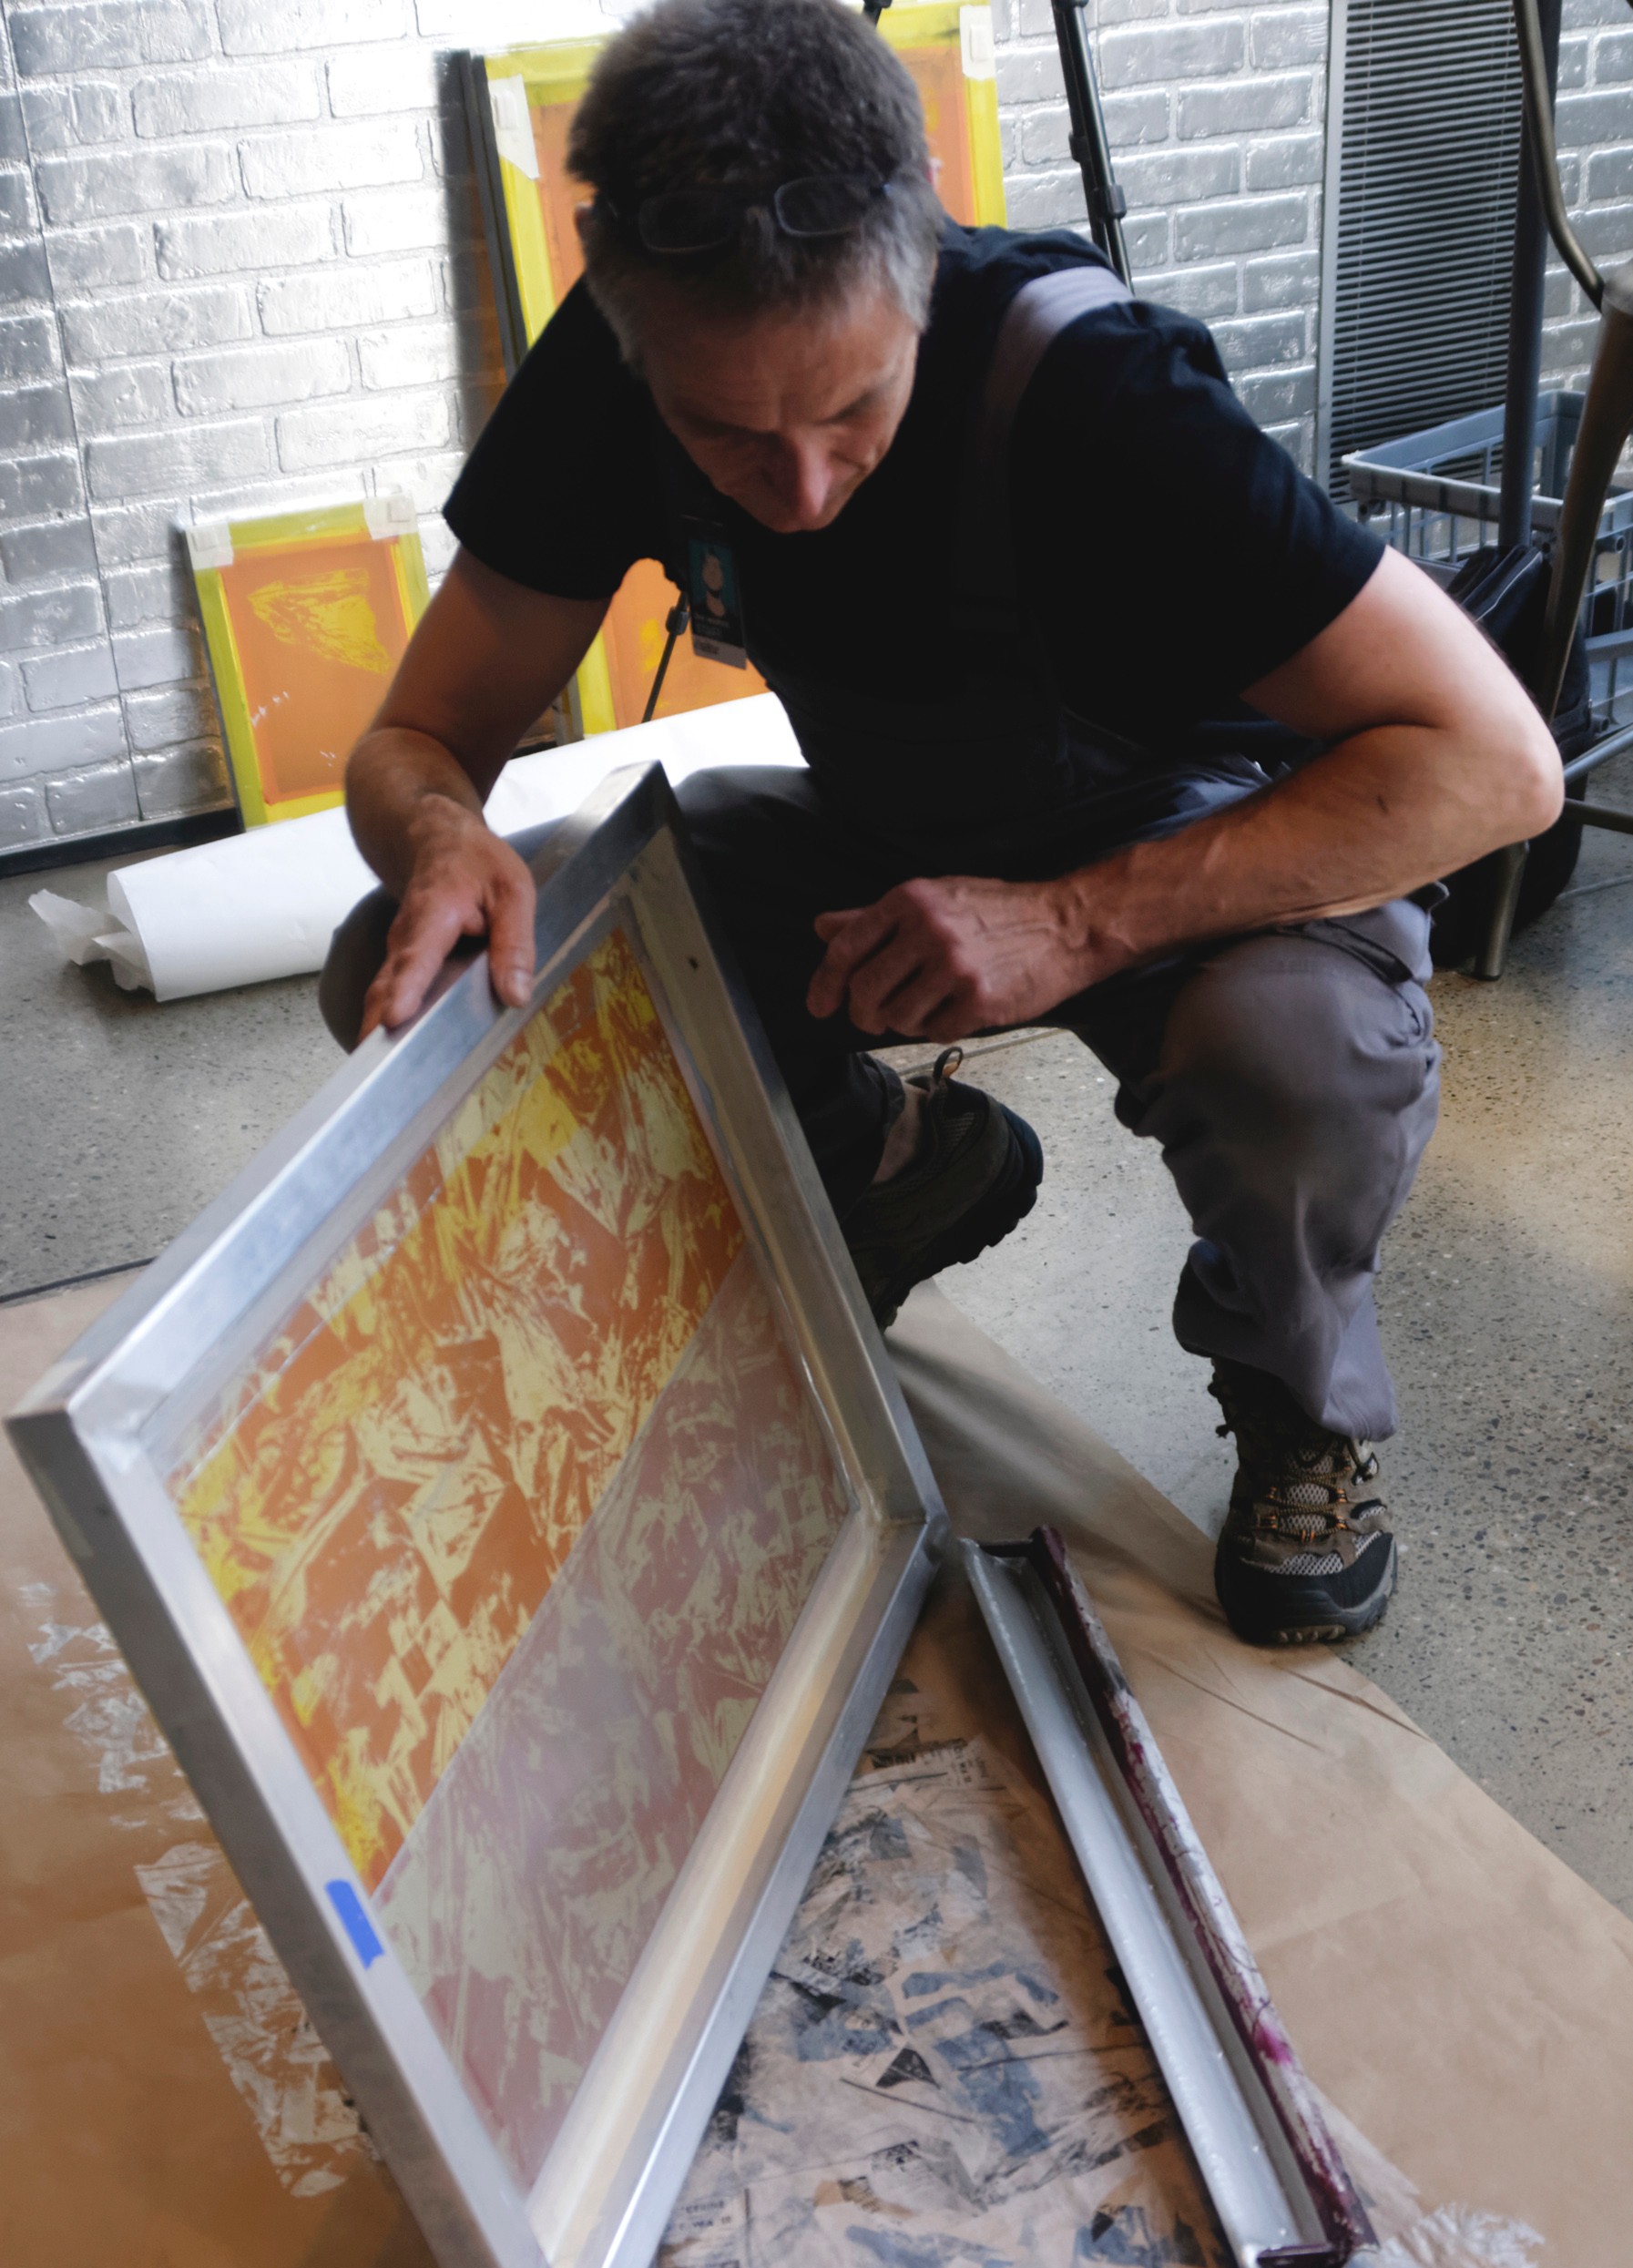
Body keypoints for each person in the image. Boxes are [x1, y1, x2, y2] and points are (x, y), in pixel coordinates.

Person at [332, 0, 1561, 1648]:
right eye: (727, 437)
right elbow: (415, 738)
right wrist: (436, 832)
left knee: (1291, 1051)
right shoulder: (614, 365)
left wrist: (1073, 919)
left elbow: (1496, 766)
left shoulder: (1103, 396)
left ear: (919, 243)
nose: (800, 492)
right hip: (892, 832)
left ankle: (1297, 1403)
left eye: (851, 407)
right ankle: (894, 1167)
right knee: (414, 968)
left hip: (1210, 847)